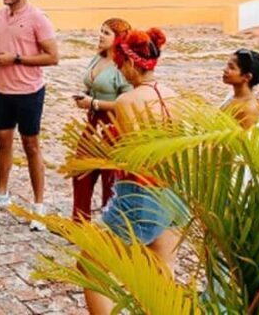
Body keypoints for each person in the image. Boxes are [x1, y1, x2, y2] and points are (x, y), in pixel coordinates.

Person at [87, 27, 181, 315]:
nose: (120, 71)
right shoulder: (172, 94)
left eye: (120, 64)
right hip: (173, 192)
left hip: (140, 193)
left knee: (92, 267)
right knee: (162, 269)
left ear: (130, 63)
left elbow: (135, 154)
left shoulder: (128, 101)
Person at [0, 0, 59, 231]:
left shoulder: (37, 19)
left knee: (31, 145)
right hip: (2, 90)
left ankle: (39, 206)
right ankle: (1, 193)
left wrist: (16, 59)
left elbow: (53, 57)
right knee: (2, 141)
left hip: (29, 92)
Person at [71, 18, 132, 221]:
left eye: (106, 33)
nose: (101, 36)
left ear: (118, 39)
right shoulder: (97, 58)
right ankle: (80, 220)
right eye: (101, 31)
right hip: (93, 124)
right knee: (81, 170)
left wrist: (94, 103)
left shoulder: (123, 67)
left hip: (113, 125)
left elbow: (127, 102)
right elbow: (91, 84)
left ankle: (110, 223)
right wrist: (85, 95)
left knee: (110, 177)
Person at [221, 48, 259, 129]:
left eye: (231, 67)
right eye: (227, 66)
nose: (225, 70)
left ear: (247, 77)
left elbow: (243, 141)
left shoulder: (248, 110)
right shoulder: (232, 95)